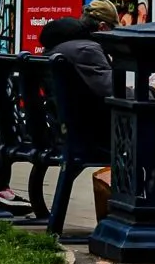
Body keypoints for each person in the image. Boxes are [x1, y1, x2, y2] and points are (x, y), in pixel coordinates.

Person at [40, 12, 114, 220]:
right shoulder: (85, 49)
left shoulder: (53, 52)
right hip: (89, 139)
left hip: (60, 133)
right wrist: (153, 91)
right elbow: (110, 89)